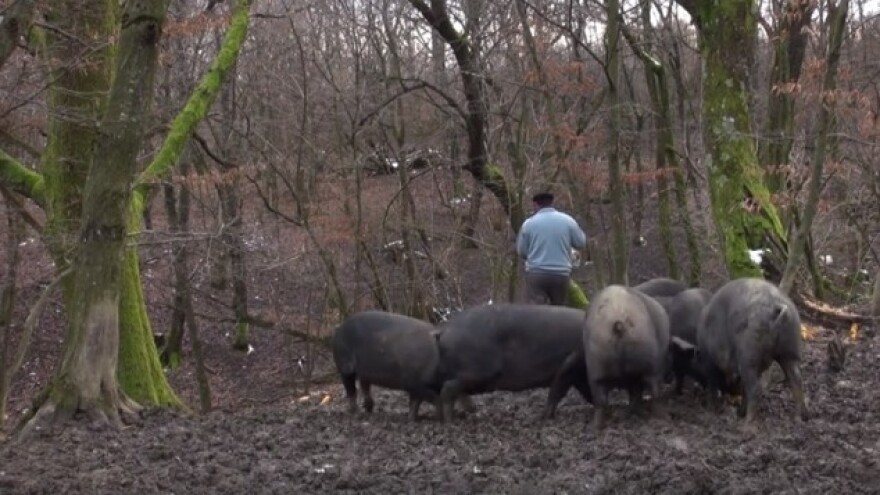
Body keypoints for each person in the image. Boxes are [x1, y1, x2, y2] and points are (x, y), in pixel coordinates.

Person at [516, 192, 587, 306]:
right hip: (561, 274)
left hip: (536, 274)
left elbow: (521, 252)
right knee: (558, 310)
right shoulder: (568, 221)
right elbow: (581, 242)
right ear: (552, 203)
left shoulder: (528, 224)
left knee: (537, 311)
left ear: (535, 204)